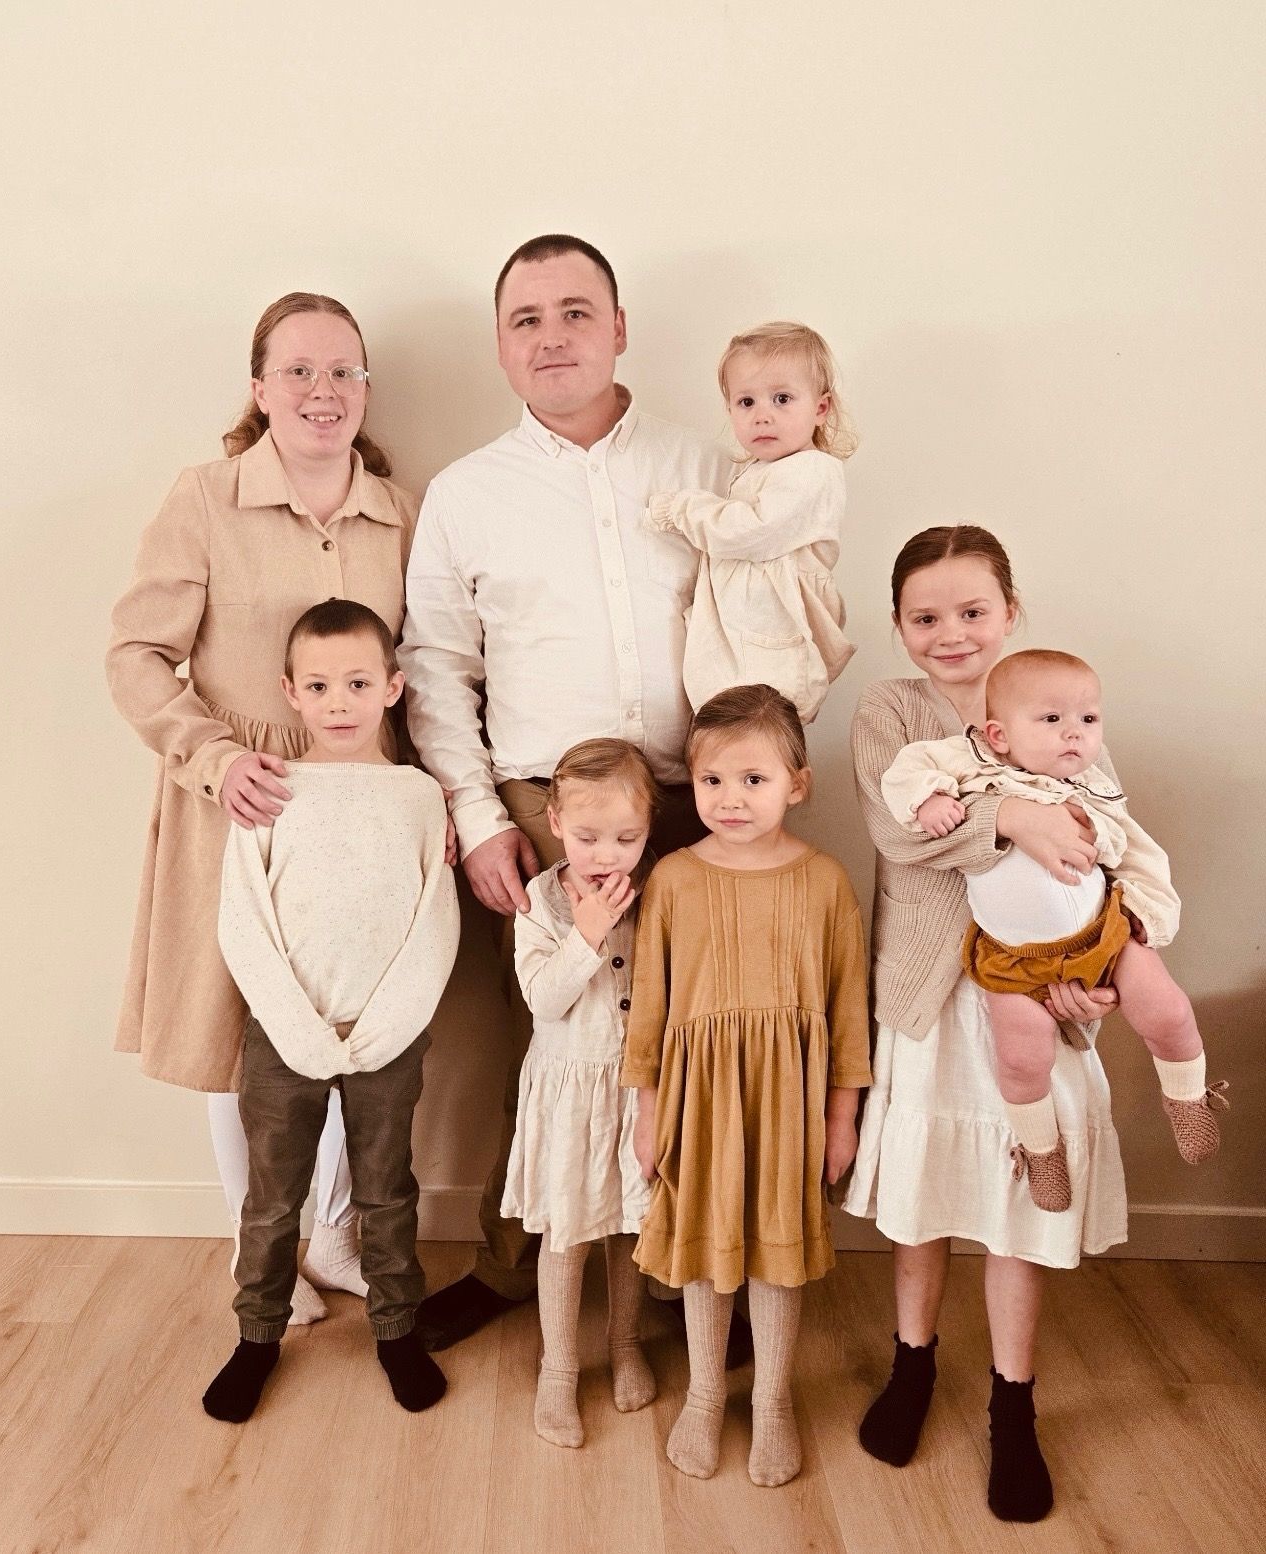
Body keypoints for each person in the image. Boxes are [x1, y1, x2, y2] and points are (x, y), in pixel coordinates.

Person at [398, 233, 744, 1353]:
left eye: (575, 311)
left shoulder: (708, 472)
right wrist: (481, 816)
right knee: (546, 1045)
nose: (553, 335)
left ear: (621, 326)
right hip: (542, 810)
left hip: (701, 800)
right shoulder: (464, 494)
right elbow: (438, 668)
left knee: (694, 1044)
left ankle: (688, 1276)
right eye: (526, 319)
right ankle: (515, 1266)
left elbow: (771, 630)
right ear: (501, 348)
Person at [108, 293, 419, 1321]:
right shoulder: (204, 498)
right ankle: (265, 1253)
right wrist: (211, 758)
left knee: (347, 1024)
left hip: (361, 817)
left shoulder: (400, 510)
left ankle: (329, 1231)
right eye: (298, 372)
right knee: (237, 1037)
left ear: (366, 388)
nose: (322, 393)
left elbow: (416, 667)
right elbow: (138, 654)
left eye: (342, 372)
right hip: (235, 806)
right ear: (259, 387)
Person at [844, 525, 1131, 1523]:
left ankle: (1015, 1404)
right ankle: (913, 1365)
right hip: (932, 991)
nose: (952, 633)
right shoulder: (890, 711)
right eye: (927, 617)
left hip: (1034, 994)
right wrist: (1016, 819)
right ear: (899, 627)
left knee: (1019, 1197)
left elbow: (1105, 850)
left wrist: (1097, 971)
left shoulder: (1052, 707)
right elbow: (896, 830)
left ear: (1011, 610)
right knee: (922, 1203)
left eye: (973, 612)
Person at [204, 601, 459, 1422]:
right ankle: (256, 1336)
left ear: (392, 687)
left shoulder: (419, 797)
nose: (339, 701)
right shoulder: (272, 794)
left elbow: (435, 922)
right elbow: (243, 920)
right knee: (273, 1199)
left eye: (356, 682)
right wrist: (296, 1025)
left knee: (387, 1189)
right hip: (286, 1035)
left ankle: (395, 1329)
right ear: (291, 692)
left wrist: (388, 1025)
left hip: (388, 1033)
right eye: (319, 685)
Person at [623, 685, 871, 1487]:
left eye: (754, 780)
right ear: (691, 783)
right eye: (713, 782)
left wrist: (842, 1116)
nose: (731, 800)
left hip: (790, 1101)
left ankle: (771, 1399)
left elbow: (847, 1013)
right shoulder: (673, 881)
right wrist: (648, 1110)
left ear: (796, 784)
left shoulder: (827, 880)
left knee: (777, 1254)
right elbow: (651, 1010)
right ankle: (703, 1394)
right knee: (703, 1254)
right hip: (699, 1100)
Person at [881, 648, 1226, 1209]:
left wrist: (1147, 918)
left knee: (1169, 1009)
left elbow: (1142, 859)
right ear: (998, 733)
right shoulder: (969, 761)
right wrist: (929, 800)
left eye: (1088, 720)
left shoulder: (1093, 790)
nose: (1075, 735)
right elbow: (906, 771)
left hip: (1104, 935)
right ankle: (1040, 1152)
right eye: (1052, 720)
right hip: (1012, 959)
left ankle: (1187, 1099)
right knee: (1020, 1058)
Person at [500, 739, 660, 1448]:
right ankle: (559, 1367)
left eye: (627, 838)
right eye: (590, 836)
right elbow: (543, 1001)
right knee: (567, 1233)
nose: (608, 855)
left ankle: (626, 1343)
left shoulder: (658, 889)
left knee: (628, 1225)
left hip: (632, 1088)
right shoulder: (540, 901)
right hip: (568, 1090)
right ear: (557, 822)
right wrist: (588, 933)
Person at [644, 320, 856, 722]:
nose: (762, 416)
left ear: (820, 407)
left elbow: (752, 530)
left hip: (770, 651)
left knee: (761, 751)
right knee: (724, 758)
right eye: (746, 402)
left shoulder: (813, 470)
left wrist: (682, 509)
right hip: (735, 648)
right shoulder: (754, 472)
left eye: (781, 398)